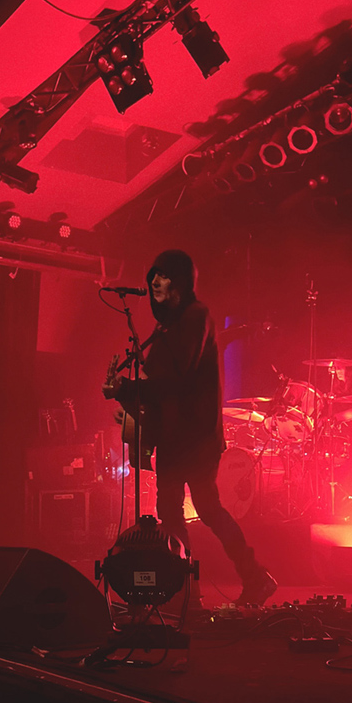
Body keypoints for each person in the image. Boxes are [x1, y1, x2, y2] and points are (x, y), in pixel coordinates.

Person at [103, 250, 276, 608]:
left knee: (206, 508)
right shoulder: (165, 326)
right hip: (172, 435)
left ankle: (252, 577)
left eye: (162, 276)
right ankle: (187, 593)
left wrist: (129, 389)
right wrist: (124, 396)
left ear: (181, 281)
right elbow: (157, 384)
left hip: (195, 436)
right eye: (153, 276)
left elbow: (177, 379)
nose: (154, 283)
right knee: (170, 512)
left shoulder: (198, 317)